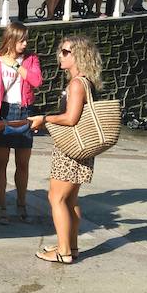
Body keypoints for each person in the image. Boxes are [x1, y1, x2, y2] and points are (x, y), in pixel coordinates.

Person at [28, 35, 104, 263]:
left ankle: (63, 251)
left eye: (65, 52)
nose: (60, 55)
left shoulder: (77, 84)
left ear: (79, 55)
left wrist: (44, 118)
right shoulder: (86, 82)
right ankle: (71, 246)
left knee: (56, 198)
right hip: (80, 149)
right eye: (61, 51)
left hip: (70, 150)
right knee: (70, 201)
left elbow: (71, 119)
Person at [0, 22, 42, 224]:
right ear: (11, 39)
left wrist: (16, 65)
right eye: (21, 40)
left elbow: (36, 82)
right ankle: (1, 205)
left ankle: (21, 203)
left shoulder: (31, 59)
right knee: (1, 161)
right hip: (3, 110)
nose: (25, 44)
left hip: (24, 110)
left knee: (22, 163)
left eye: (26, 40)